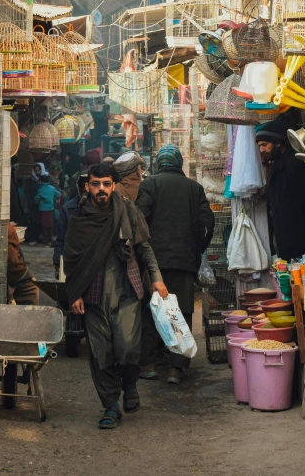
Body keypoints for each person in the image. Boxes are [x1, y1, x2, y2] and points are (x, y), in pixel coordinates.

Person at [64, 163, 167, 429]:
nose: (101, 189)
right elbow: (72, 259)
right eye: (96, 184)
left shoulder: (126, 210)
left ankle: (130, 385)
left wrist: (156, 278)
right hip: (93, 296)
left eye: (106, 184)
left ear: (113, 185)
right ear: (88, 186)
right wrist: (74, 293)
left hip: (127, 292)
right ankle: (110, 406)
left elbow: (144, 248)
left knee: (128, 347)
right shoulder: (79, 218)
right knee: (101, 354)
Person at [135, 144, 215, 384]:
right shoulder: (194, 188)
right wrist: (197, 248)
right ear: (179, 163)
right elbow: (208, 224)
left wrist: (141, 249)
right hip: (184, 261)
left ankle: (148, 364)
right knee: (181, 312)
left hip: (154, 262)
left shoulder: (149, 184)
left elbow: (139, 217)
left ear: (159, 163)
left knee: (153, 310)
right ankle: (176, 368)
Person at [255, 119, 305, 261]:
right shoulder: (277, 164)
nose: (261, 150)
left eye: (264, 145)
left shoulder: (294, 164)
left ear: (278, 142)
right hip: (288, 244)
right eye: (259, 146)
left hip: (302, 243)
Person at [53, 172, 89, 278]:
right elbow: (61, 238)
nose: (85, 192)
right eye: (82, 188)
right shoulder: (68, 208)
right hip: (73, 261)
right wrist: (58, 262)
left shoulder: (104, 207)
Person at [7, 222, 40, 305]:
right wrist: (27, 276)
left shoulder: (8, 228)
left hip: (14, 272)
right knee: (32, 290)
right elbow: (13, 263)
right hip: (10, 273)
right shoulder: (7, 229)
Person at [25, 163, 48, 245]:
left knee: (45, 222)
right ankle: (35, 238)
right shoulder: (31, 181)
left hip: (45, 205)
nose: (37, 172)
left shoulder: (47, 177)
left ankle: (44, 239)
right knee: (35, 221)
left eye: (39, 170)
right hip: (34, 204)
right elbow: (28, 193)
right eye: (36, 171)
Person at [33, 175, 60, 246]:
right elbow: (59, 195)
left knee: (44, 225)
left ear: (41, 181)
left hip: (42, 210)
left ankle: (45, 240)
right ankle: (52, 238)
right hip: (50, 209)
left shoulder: (40, 190)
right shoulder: (52, 188)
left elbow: (36, 200)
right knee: (50, 224)